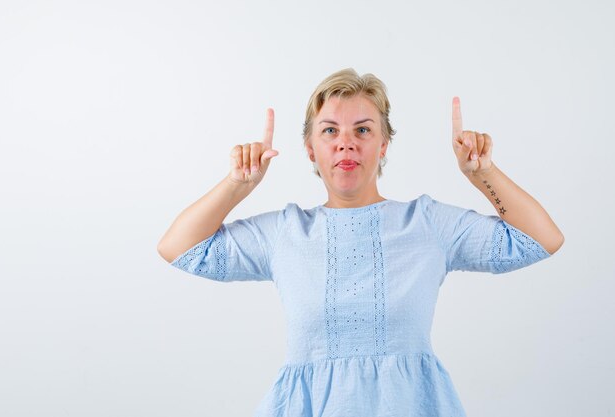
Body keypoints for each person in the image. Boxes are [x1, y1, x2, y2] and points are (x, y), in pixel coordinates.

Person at [157, 68, 564, 416]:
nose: (345, 143)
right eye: (330, 130)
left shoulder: (426, 224)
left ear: (383, 144)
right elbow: (178, 247)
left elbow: (540, 239)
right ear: (310, 150)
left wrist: (482, 174)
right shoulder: (285, 232)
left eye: (363, 130)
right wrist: (237, 185)